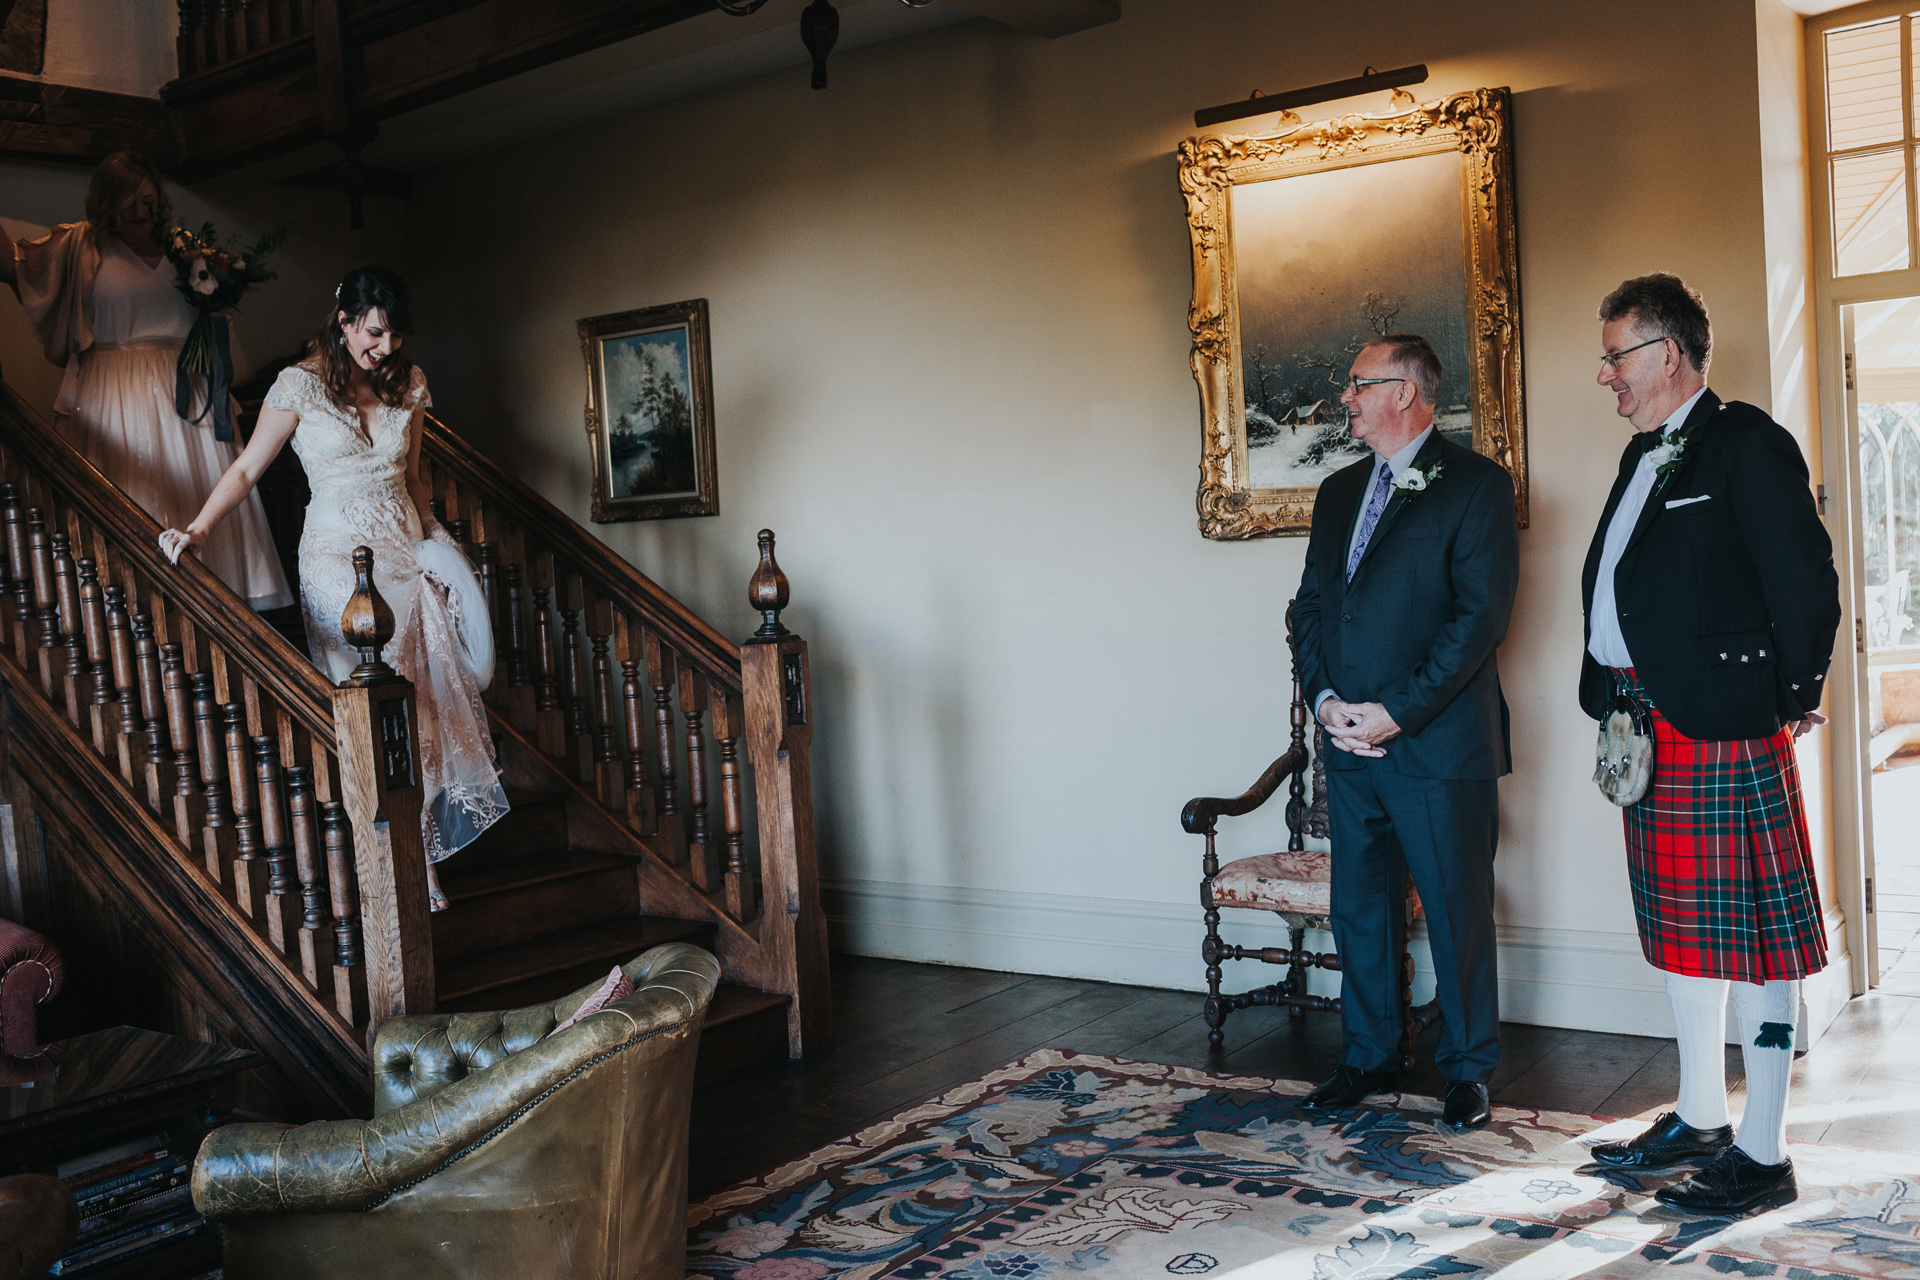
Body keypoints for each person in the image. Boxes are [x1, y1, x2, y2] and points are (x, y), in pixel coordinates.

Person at [1579, 274, 1839, 1214]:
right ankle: (1699, 1116)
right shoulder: (1643, 456)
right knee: (1687, 943)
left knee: (1759, 946)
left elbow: (1806, 580)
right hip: (1648, 724)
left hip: (1723, 725)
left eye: (1616, 355)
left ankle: (1763, 1154)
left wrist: (1791, 696)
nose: (1605, 374)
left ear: (1668, 354)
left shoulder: (1744, 444)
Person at [159, 267, 506, 912]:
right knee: (370, 707)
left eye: (396, 335)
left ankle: (421, 848)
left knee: (422, 701)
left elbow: (413, 478)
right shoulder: (299, 385)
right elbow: (245, 467)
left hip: (404, 555)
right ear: (345, 321)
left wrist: (438, 548)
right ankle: (385, 855)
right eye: (376, 332)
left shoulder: (410, 384)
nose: (387, 346)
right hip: (335, 563)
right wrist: (200, 528)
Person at [1292, 333, 1519, 1132]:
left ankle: (1466, 1070)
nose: (1344, 398)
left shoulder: (1478, 487)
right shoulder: (1337, 491)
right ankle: (1370, 1054)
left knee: (1456, 908)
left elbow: (1477, 620)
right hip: (1348, 744)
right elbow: (1310, 610)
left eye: (1358, 384)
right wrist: (1325, 703)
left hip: (1436, 743)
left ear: (1404, 392)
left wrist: (1397, 711)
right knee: (1362, 907)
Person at [0, 152, 290, 610]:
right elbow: (17, 265)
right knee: (131, 501)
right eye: (127, 201)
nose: (139, 211)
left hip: (186, 390)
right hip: (111, 392)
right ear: (107, 203)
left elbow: (213, 309)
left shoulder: (185, 248)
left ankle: (212, 612)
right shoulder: (83, 245)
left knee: (197, 495)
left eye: (147, 201)